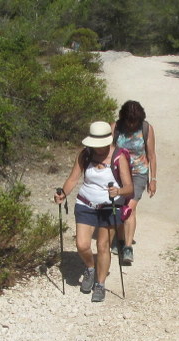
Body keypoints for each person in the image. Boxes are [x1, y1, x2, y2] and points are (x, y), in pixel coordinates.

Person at [54, 121, 133, 303]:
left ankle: (100, 283)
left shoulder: (119, 157)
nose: (97, 149)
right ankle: (90, 267)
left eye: (101, 145)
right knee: (82, 245)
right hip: (85, 204)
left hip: (109, 207)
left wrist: (118, 192)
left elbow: (129, 188)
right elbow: (73, 178)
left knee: (103, 246)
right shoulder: (85, 154)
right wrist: (63, 193)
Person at [111, 100, 157, 265]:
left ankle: (128, 247)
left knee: (129, 207)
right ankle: (121, 239)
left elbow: (151, 155)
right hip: (118, 173)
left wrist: (153, 179)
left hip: (138, 173)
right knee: (118, 206)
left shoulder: (146, 129)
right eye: (129, 121)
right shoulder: (115, 127)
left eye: (134, 122)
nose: (131, 125)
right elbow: (108, 150)